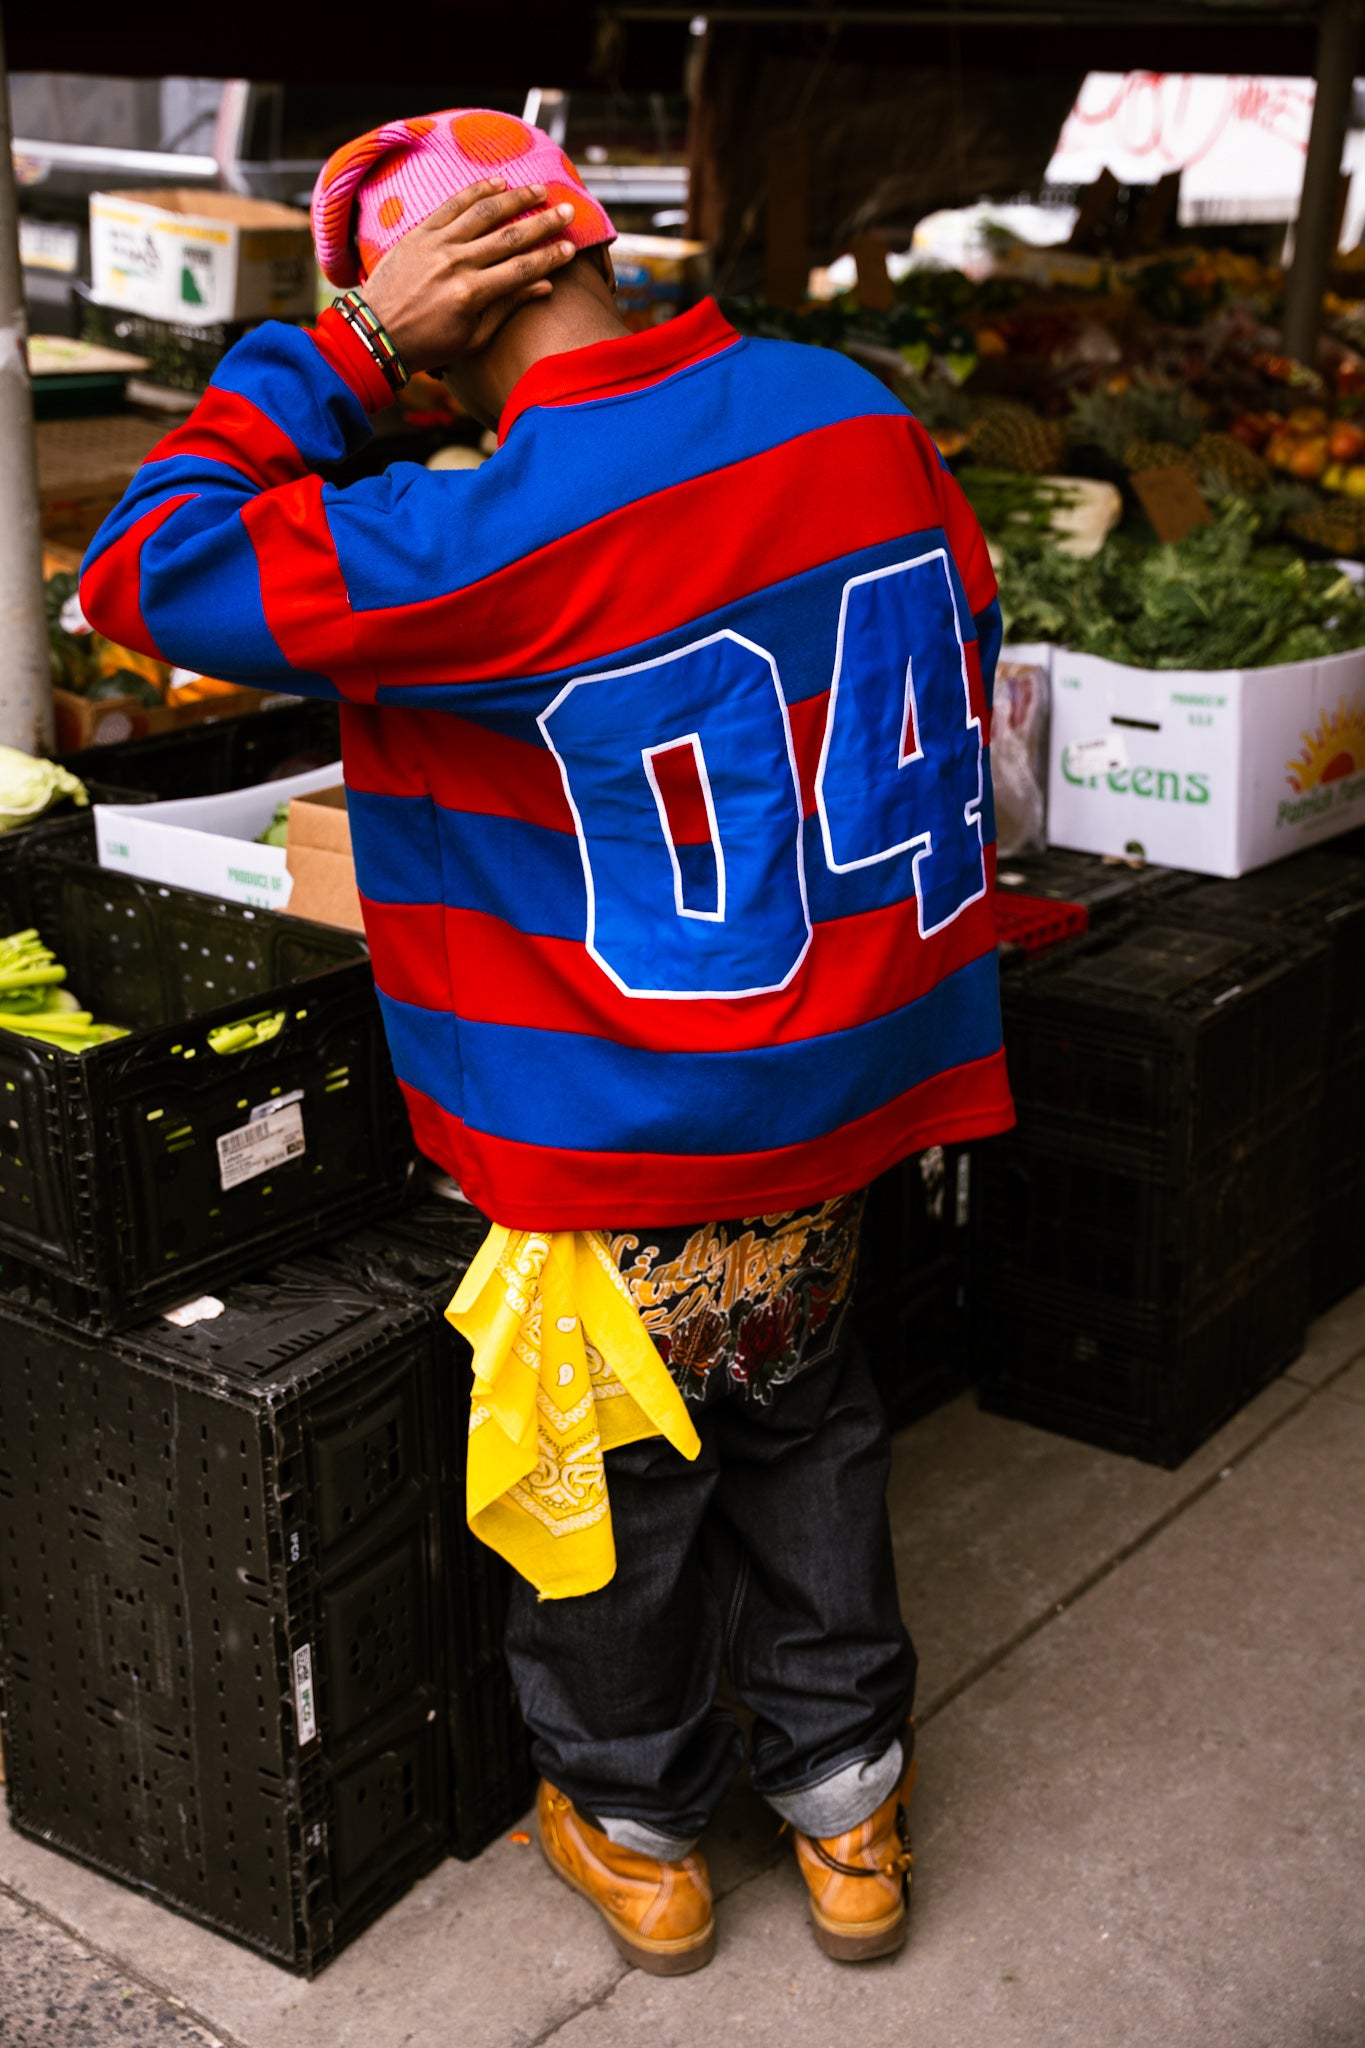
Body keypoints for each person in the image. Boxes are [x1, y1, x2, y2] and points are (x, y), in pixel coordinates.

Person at [80, 108, 1013, 1977]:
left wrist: (335, 350)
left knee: (612, 1481)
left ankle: (646, 1832)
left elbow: (136, 568)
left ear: (425, 307)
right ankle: (851, 1819)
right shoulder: (847, 407)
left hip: (610, 1131)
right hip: (839, 1088)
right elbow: (964, 617)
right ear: (587, 239)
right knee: (809, 1424)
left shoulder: (475, 536)